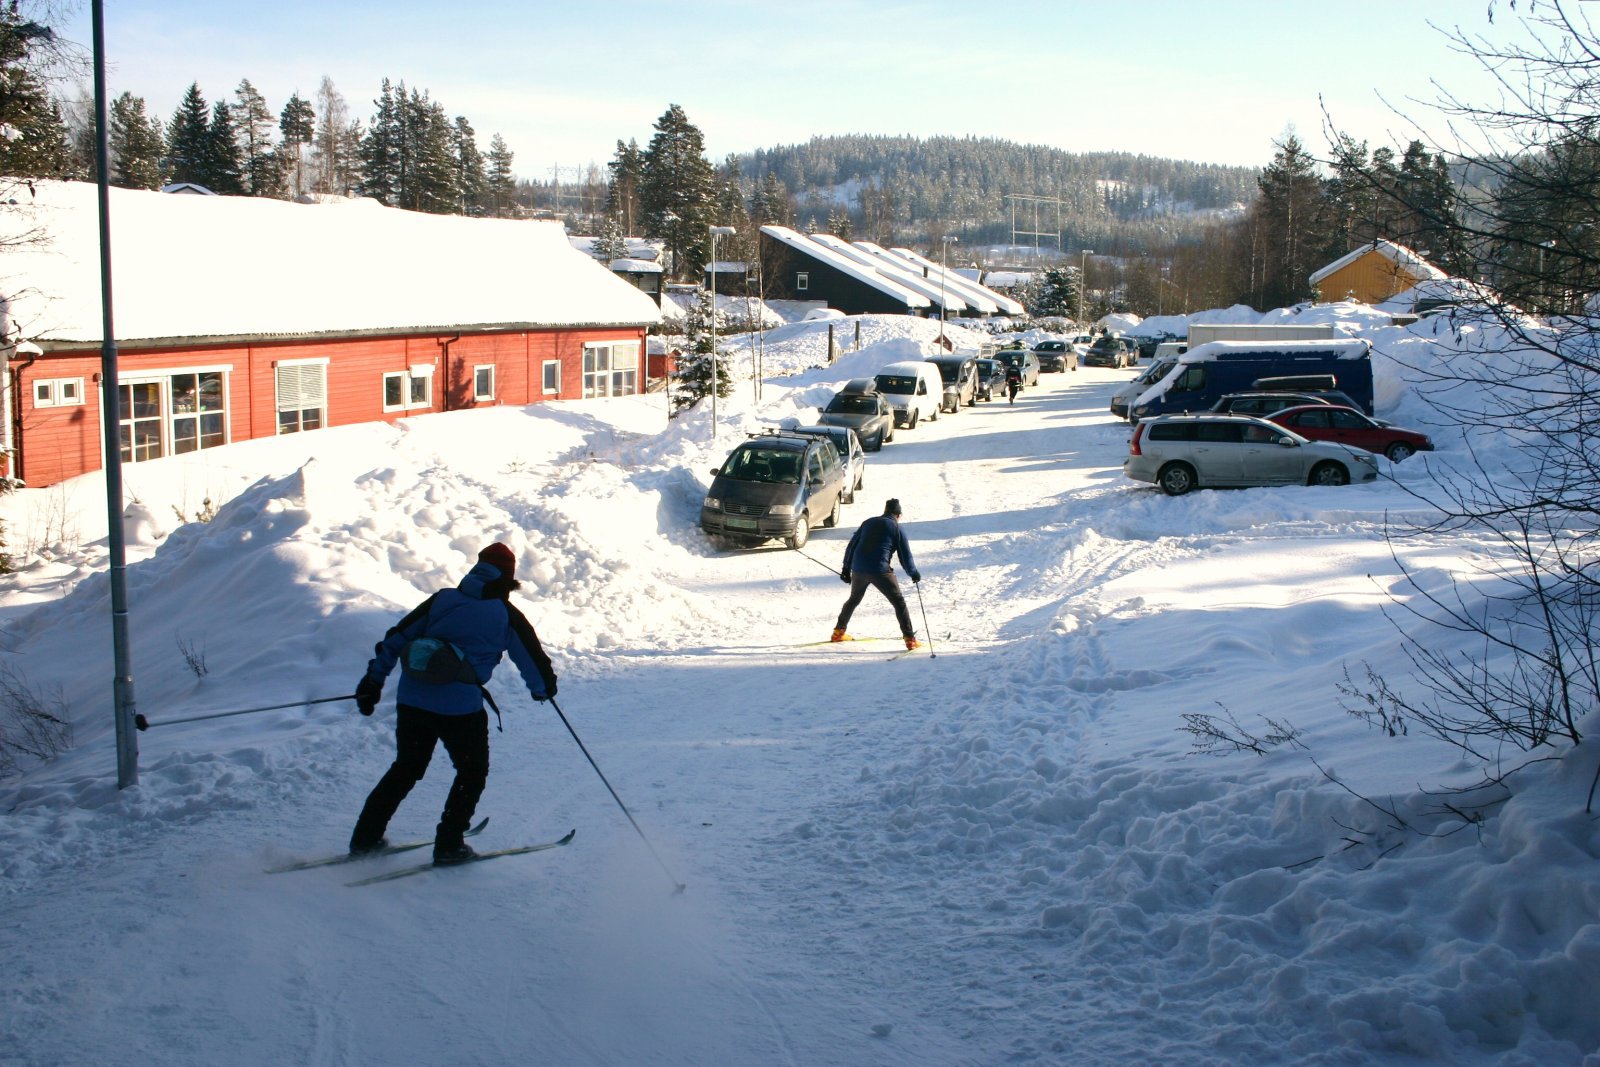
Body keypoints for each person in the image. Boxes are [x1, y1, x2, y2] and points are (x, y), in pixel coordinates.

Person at [349, 542, 557, 864]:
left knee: (406, 768)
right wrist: (542, 690)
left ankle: (365, 839)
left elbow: (396, 638)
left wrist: (373, 681)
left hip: (413, 701)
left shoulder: (442, 599)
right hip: (459, 710)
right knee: (471, 772)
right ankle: (449, 844)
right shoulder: (506, 614)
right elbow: (532, 661)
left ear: (477, 569)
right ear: (508, 578)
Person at [833, 498, 921, 651]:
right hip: (880, 571)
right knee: (898, 602)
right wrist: (913, 573)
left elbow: (852, 545)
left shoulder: (868, 522)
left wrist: (846, 569)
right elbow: (905, 556)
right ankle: (910, 640)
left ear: (885, 511)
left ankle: (838, 632)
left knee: (853, 599)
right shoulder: (897, 528)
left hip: (858, 569)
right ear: (898, 515)